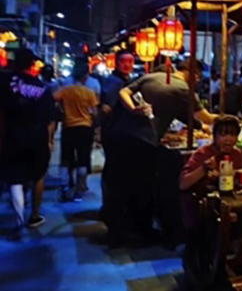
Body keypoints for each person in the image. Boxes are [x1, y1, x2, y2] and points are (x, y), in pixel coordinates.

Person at [106, 58, 216, 245]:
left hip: (118, 135)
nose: (197, 82)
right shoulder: (183, 88)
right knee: (142, 187)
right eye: (197, 78)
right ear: (193, 74)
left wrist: (133, 109)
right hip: (143, 140)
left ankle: (117, 230)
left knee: (119, 184)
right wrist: (225, 120)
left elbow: (123, 92)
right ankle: (139, 232)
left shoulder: (152, 77)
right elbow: (204, 116)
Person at [0, 49, 57, 235]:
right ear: (32, 64)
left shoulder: (5, 82)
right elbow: (51, 119)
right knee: (38, 175)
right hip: (38, 136)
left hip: (13, 135)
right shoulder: (42, 88)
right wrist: (49, 140)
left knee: (15, 178)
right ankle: (34, 215)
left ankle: (19, 219)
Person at [98, 51, 135, 224]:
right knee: (115, 173)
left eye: (130, 61)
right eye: (123, 61)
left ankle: (112, 209)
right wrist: (100, 128)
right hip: (115, 133)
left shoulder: (125, 81)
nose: (127, 65)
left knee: (115, 172)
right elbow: (106, 109)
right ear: (116, 63)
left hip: (120, 132)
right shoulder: (115, 82)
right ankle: (112, 212)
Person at [53, 62, 99, 202]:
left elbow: (53, 98)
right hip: (85, 128)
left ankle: (65, 188)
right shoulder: (89, 93)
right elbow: (95, 112)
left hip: (68, 127)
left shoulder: (65, 91)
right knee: (82, 159)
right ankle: (79, 191)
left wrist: (61, 109)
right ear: (85, 77)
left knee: (66, 158)